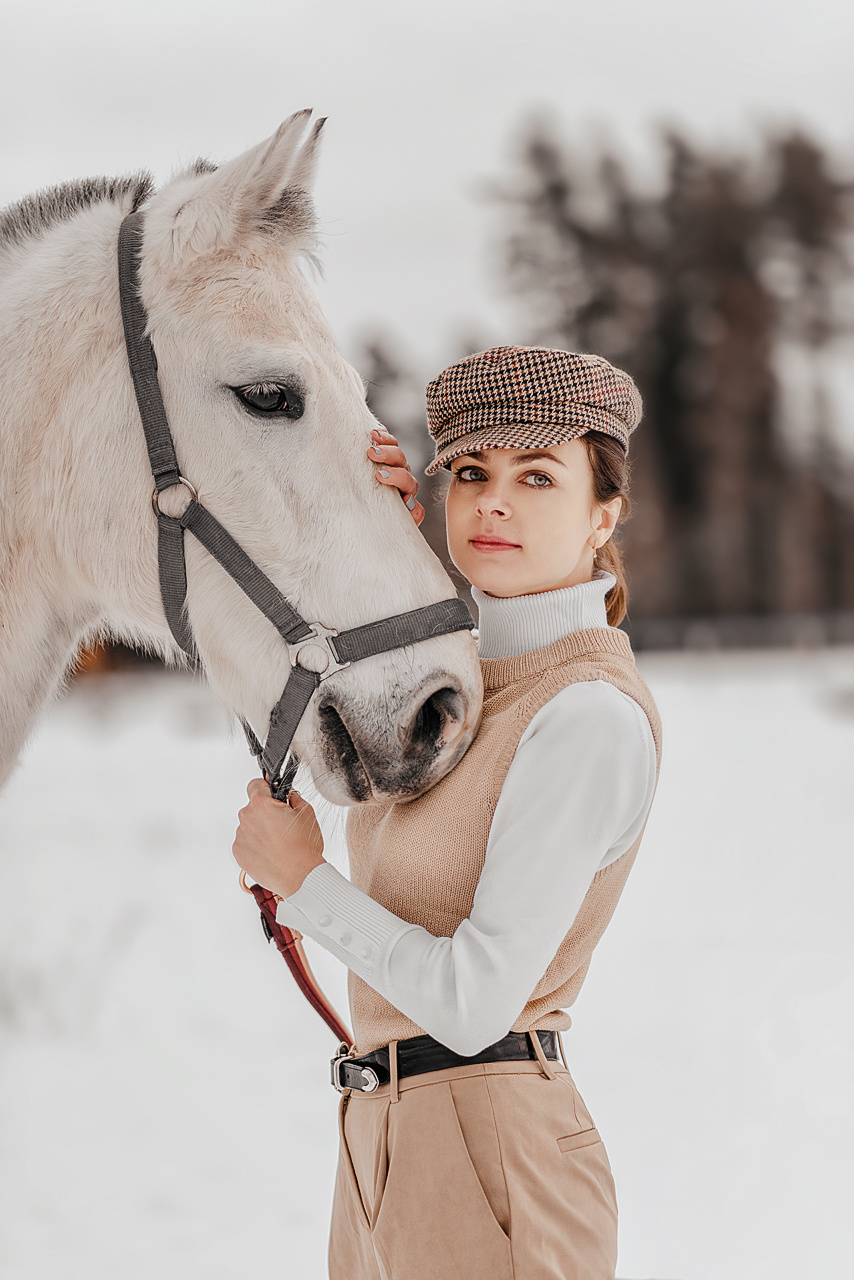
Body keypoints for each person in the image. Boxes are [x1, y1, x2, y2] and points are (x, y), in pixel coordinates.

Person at [232, 346, 661, 1280]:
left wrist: (304, 884)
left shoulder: (582, 714)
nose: (493, 501)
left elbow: (473, 1004)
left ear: (605, 514)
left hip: (492, 1143)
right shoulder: (467, 686)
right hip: (384, 1138)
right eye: (471, 472)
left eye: (536, 476)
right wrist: (373, 530)